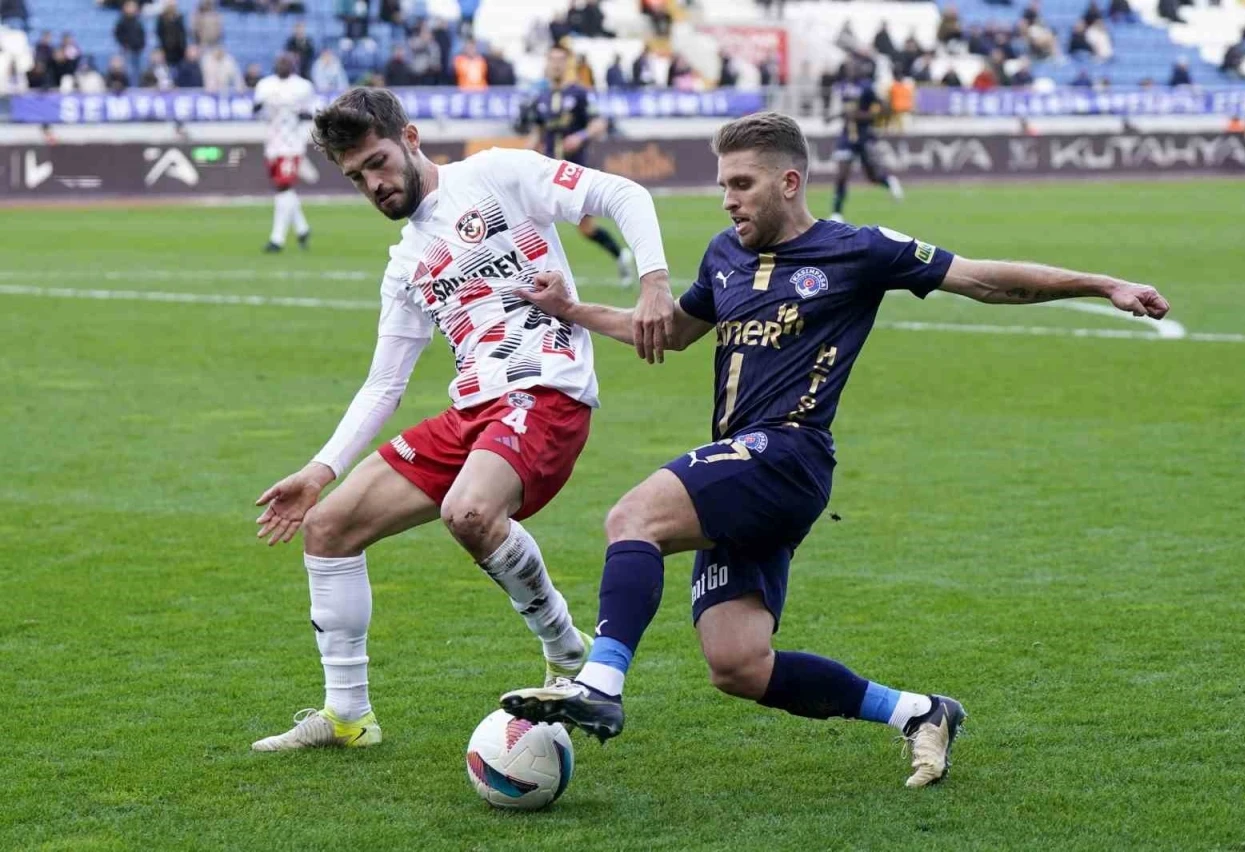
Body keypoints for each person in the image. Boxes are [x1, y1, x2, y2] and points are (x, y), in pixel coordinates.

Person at [499, 111, 1172, 788]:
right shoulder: (723, 255)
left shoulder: (859, 249)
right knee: (738, 665)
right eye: (723, 183)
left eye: (742, 183)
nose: (727, 197)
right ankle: (921, 713)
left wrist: (1102, 283)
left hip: (788, 455)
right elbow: (670, 332)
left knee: (631, 517)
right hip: (740, 464)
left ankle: (600, 683)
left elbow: (985, 279)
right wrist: (574, 310)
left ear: (789, 182)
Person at [248, 86, 676, 751]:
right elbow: (384, 385)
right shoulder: (405, 265)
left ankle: (566, 652)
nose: (375, 184)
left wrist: (653, 282)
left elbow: (626, 195)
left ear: (411, 138)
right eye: (358, 176)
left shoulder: (498, 174)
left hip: (546, 388)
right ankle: (347, 718)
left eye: (380, 162)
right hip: (472, 409)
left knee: (469, 511)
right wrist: (318, 471)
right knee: (329, 528)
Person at [527, 44, 635, 286]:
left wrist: (580, 137)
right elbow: (537, 134)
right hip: (546, 171)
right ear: (546, 63)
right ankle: (538, 276)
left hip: (574, 173)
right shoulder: (541, 98)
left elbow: (599, 124)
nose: (555, 65)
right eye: (552, 60)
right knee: (532, 219)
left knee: (586, 228)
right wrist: (519, 157)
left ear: (567, 64)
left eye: (560, 60)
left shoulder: (579, 93)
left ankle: (621, 255)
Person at [253, 54, 316, 253]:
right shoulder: (265, 85)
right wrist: (261, 106)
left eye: (287, 63)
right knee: (283, 188)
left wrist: (299, 113)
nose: (283, 66)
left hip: (292, 144)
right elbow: (255, 110)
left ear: (293, 66)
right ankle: (302, 228)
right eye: (280, 63)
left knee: (283, 186)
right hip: (272, 143)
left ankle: (277, 239)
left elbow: (312, 111)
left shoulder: (303, 86)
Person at [828, 69, 903, 218]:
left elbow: (884, 108)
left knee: (872, 176)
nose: (851, 68)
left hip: (863, 135)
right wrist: (833, 116)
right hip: (847, 136)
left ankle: (889, 181)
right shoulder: (842, 86)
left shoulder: (867, 87)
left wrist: (863, 116)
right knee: (842, 174)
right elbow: (846, 111)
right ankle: (837, 213)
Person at [113, 0, 145, 84]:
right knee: (128, 70)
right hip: (127, 50)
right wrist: (125, 44)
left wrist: (141, 45)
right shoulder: (122, 21)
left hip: (137, 50)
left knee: (137, 70)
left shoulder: (138, 21)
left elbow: (142, 34)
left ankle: (137, 86)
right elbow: (117, 34)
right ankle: (129, 86)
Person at [156, 0, 186, 67]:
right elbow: (159, 33)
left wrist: (183, 47)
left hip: (179, 50)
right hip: (166, 49)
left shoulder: (179, 17)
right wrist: (161, 49)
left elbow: (182, 33)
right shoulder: (161, 18)